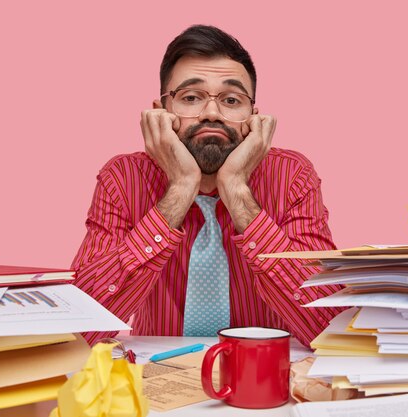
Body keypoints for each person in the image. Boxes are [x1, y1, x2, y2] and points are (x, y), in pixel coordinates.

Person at [72, 24, 342, 347]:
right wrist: (181, 187)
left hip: (266, 381)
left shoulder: (292, 177)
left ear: (254, 119)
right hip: (157, 382)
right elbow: (77, 327)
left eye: (231, 99)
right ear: (160, 114)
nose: (212, 113)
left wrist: (238, 192)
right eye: (190, 97)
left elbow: (330, 329)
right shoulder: (123, 179)